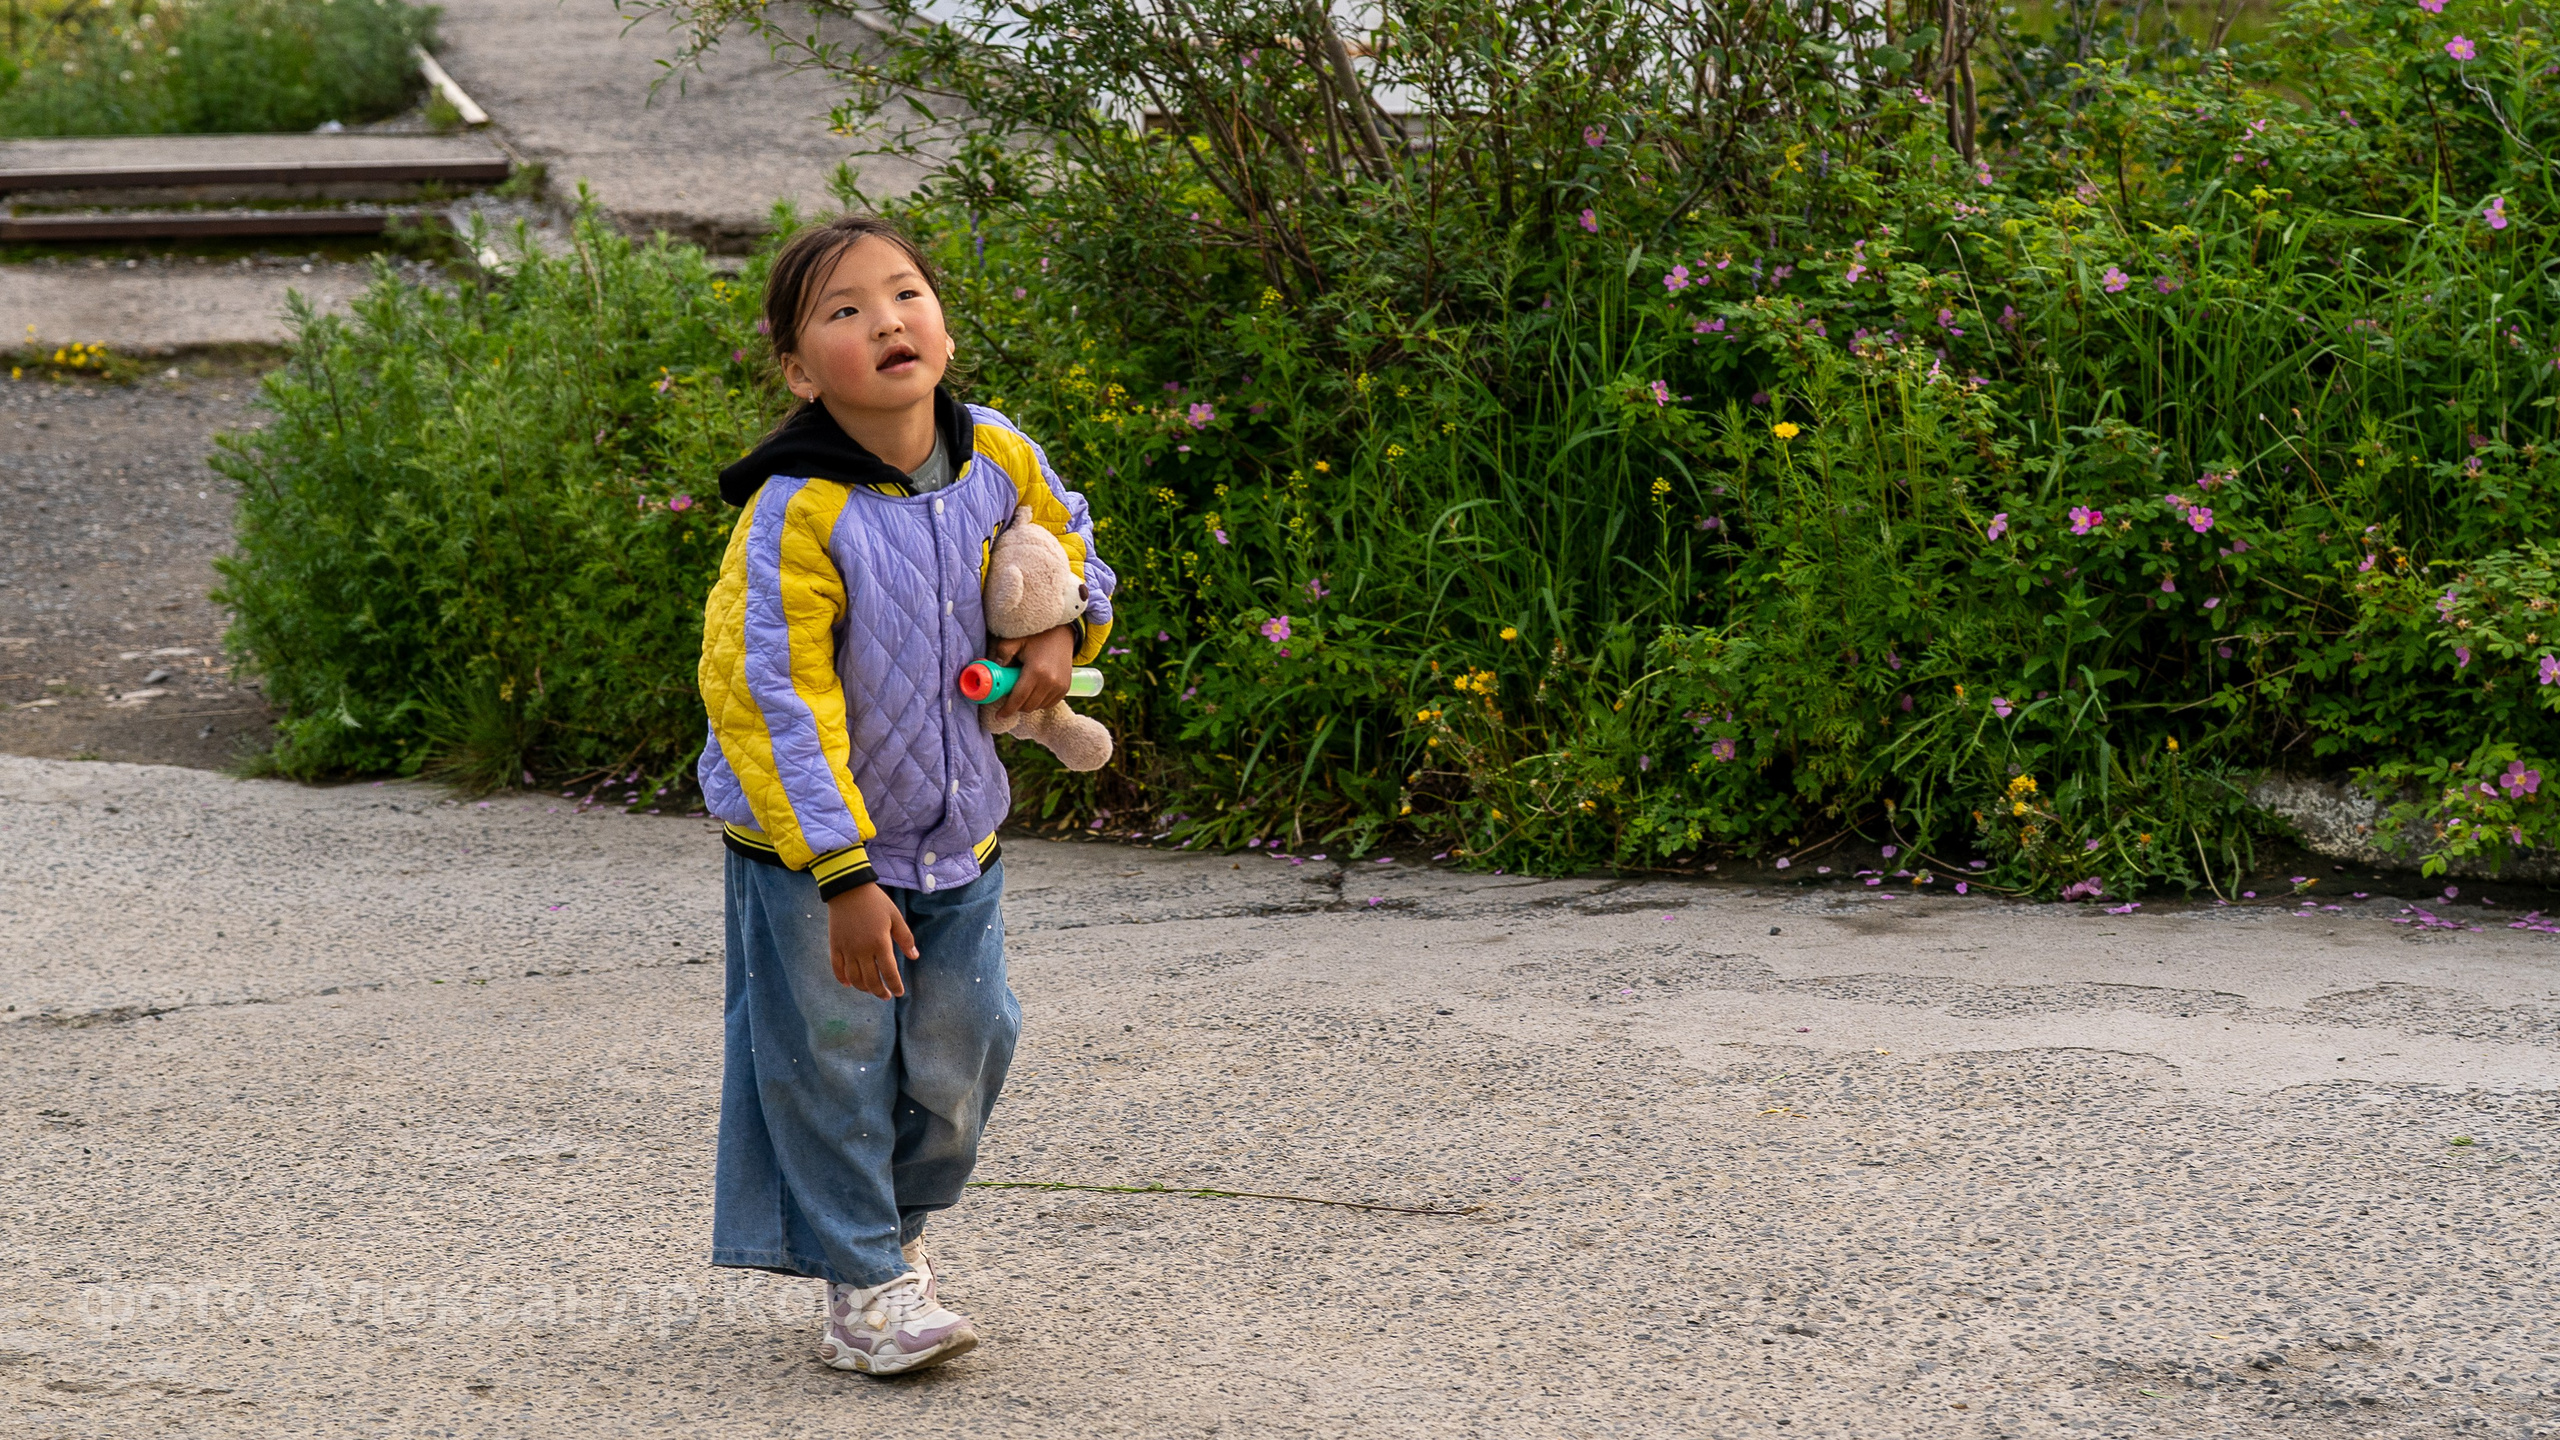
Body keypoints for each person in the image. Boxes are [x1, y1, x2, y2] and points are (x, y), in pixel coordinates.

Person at [694, 214, 1114, 1375]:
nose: (886, 320)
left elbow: (1066, 543)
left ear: (940, 320)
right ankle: (865, 1283)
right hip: (815, 851)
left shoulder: (997, 454)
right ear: (797, 369)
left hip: (956, 827)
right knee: (832, 1059)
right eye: (844, 311)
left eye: (905, 294)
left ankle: (897, 1240)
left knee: (964, 1047)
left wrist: (1069, 628)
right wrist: (839, 875)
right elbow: (769, 697)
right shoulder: (795, 512)